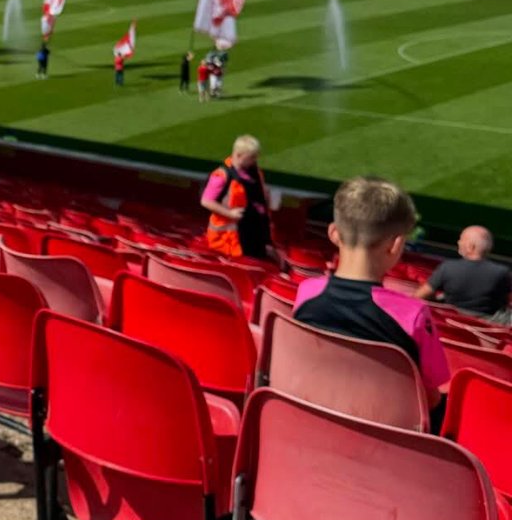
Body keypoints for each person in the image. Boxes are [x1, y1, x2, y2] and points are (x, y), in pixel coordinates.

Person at [296, 177, 450, 416]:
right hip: (386, 437)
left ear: (334, 233)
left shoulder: (306, 292)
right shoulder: (413, 315)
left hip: (313, 419)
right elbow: (430, 398)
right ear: (396, 245)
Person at [415, 226, 512, 317]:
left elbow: (419, 296)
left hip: (452, 321)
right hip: (487, 325)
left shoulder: (448, 268)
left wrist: (436, 299)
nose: (458, 243)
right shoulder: (501, 272)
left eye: (461, 239)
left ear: (471, 246)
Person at [202, 134, 272, 260]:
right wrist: (229, 213)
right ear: (239, 155)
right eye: (251, 157)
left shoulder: (255, 173)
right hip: (227, 240)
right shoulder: (222, 175)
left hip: (250, 237)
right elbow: (206, 201)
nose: (254, 160)